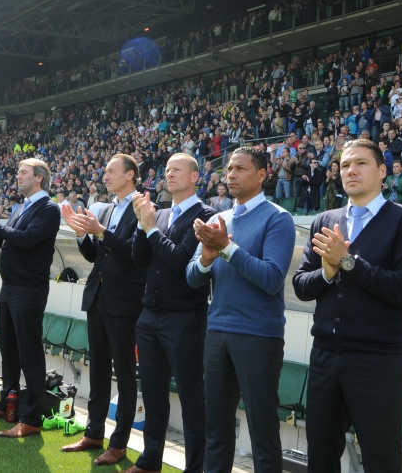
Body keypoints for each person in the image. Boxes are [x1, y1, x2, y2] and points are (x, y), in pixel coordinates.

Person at [292, 139, 402, 473]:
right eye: (345, 164)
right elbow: (301, 286)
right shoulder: (325, 219)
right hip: (325, 355)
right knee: (320, 458)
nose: (351, 170)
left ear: (383, 171)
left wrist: (348, 263)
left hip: (377, 360)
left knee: (381, 459)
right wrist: (327, 271)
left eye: (361, 164)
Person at [187, 147, 295, 473]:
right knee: (216, 427)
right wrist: (206, 259)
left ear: (262, 175)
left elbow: (272, 279)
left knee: (262, 430)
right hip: (217, 332)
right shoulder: (217, 220)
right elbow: (192, 278)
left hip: (259, 336)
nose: (231, 174)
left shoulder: (278, 218)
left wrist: (227, 248)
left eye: (240, 169)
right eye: (229, 168)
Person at [124, 153, 215, 473]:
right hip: (149, 316)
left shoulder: (206, 216)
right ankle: (150, 460)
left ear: (195, 177)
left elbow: (179, 262)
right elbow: (138, 258)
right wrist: (141, 222)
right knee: (152, 391)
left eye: (178, 170)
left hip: (185, 317)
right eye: (167, 170)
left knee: (191, 397)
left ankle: (196, 467)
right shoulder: (158, 214)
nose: (170, 174)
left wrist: (150, 228)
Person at [60, 154, 147, 466]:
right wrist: (82, 233)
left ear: (130, 175)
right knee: (97, 370)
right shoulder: (107, 209)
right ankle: (93, 432)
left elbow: (137, 254)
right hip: (98, 297)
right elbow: (96, 254)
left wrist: (100, 232)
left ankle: (119, 443)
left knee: (124, 376)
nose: (105, 175)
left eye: (111, 171)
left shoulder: (144, 208)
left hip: (125, 302)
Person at [0, 160, 60, 436]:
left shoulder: (48, 208)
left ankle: (32, 418)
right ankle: (6, 402)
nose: (17, 177)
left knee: (29, 353)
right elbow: (5, 241)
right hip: (9, 286)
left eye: (23, 173)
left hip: (28, 289)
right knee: (8, 349)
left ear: (39, 178)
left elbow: (27, 239)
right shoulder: (23, 207)